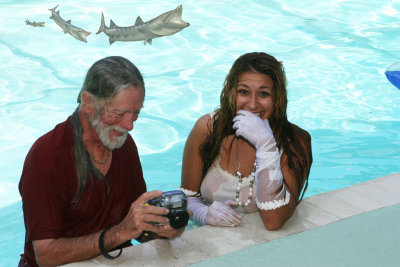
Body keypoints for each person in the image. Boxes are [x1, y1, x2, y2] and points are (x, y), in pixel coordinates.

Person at [18, 56, 185, 267]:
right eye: (119, 113)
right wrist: (120, 232)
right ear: (87, 102)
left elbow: (137, 229)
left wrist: (161, 229)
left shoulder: (123, 145)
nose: (129, 125)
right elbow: (45, 255)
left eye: (136, 114)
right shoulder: (47, 157)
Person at [180, 52, 312, 230]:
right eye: (243, 92)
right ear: (231, 92)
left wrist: (266, 145)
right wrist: (203, 213)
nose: (252, 104)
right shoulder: (208, 128)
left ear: (277, 98)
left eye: (264, 94)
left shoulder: (295, 141)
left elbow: (274, 221)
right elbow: (187, 197)